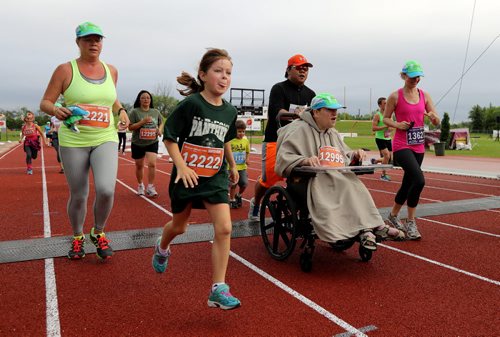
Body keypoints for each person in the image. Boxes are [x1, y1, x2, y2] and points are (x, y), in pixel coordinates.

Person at [152, 48, 241, 310]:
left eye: (228, 73)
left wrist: (233, 165)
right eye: (218, 71)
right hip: (187, 177)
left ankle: (218, 288)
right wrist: (181, 166)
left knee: (224, 228)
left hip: (215, 176)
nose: (224, 78)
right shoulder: (191, 105)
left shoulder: (229, 111)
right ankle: (162, 246)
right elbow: (169, 137)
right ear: (203, 75)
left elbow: (224, 141)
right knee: (179, 227)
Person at [39, 22, 130, 260]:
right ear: (78, 42)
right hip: (74, 139)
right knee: (79, 194)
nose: (94, 44)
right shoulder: (65, 70)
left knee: (106, 190)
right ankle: (77, 236)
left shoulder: (112, 70)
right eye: (88, 39)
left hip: (105, 136)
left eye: (98, 39)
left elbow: (111, 99)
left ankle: (98, 232)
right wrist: (56, 110)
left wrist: (121, 111)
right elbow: (45, 102)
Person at [275, 93, 404, 248]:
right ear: (316, 112)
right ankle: (364, 229)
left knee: (354, 184)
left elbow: (344, 156)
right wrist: (304, 160)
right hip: (308, 180)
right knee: (345, 186)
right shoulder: (298, 129)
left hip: (334, 176)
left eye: (336, 110)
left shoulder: (332, 133)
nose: (335, 113)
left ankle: (374, 225)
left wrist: (355, 154)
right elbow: (283, 157)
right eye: (330, 110)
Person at [248, 54, 316, 221]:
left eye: (306, 69)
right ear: (288, 70)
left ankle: (296, 205)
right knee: (268, 179)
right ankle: (256, 203)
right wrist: (296, 114)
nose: (303, 71)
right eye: (299, 68)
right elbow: (276, 112)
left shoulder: (311, 93)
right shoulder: (279, 88)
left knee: (302, 175)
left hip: (299, 142)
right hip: (275, 139)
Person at [383, 60, 440, 240]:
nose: (416, 80)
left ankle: (392, 215)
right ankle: (410, 221)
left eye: (418, 77)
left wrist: (433, 117)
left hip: (418, 144)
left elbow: (436, 120)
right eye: (413, 76)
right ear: (404, 76)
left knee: (408, 183)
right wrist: (398, 124)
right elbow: (385, 119)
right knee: (419, 180)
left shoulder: (425, 95)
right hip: (401, 145)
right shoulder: (395, 96)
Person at [128, 90, 163, 197]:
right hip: (138, 143)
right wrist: (142, 122)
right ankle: (140, 185)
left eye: (148, 98)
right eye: (143, 98)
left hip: (152, 142)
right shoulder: (135, 112)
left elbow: (161, 122)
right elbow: (130, 127)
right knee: (139, 165)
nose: (146, 100)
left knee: (152, 164)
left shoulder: (155, 112)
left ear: (150, 100)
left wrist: (160, 130)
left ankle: (151, 187)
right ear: (139, 100)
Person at [229, 119, 250, 209]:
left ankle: (239, 195)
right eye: (239, 131)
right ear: (235, 131)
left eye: (243, 131)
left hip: (242, 167)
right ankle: (232, 199)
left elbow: (247, 151)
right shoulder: (230, 141)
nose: (241, 133)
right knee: (233, 184)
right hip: (232, 167)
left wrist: (247, 159)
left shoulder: (245, 141)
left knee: (244, 183)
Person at [371, 97, 393, 181]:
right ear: (380, 105)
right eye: (384, 103)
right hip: (380, 138)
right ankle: (383, 175)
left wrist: (390, 128)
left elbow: (392, 126)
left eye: (387, 103)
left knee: (389, 158)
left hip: (388, 138)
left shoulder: (389, 115)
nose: (386, 105)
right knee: (386, 156)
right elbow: (373, 128)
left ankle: (376, 161)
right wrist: (384, 127)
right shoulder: (377, 115)